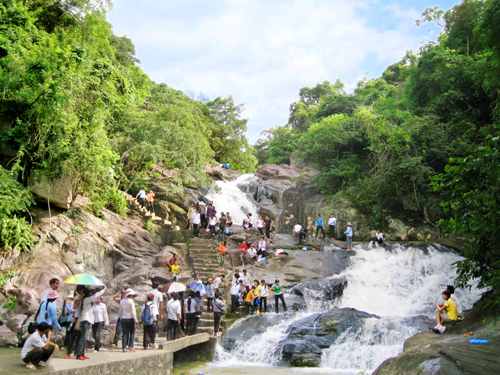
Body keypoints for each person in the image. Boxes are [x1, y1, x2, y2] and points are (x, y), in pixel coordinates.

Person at [75, 286, 106, 360]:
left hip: (88, 320)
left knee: (85, 338)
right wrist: (103, 290)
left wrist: (100, 293)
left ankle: (82, 353)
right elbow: (95, 296)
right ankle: (78, 355)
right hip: (85, 320)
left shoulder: (89, 300)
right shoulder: (86, 299)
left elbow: (96, 297)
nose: (92, 293)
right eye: (91, 292)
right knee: (83, 338)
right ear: (88, 293)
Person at [65, 285, 84, 359]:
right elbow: (75, 307)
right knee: (72, 336)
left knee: (80, 336)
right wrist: (80, 299)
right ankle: (69, 352)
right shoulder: (76, 297)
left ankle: (76, 351)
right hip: (76, 318)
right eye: (81, 290)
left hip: (82, 318)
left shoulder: (85, 298)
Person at [119, 288, 138, 352]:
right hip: (130, 318)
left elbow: (120, 311)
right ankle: (130, 346)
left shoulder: (122, 301)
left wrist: (120, 319)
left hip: (123, 318)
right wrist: (135, 319)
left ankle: (124, 347)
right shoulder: (131, 301)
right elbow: (133, 311)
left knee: (124, 333)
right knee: (132, 332)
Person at [148, 281, 164, 349]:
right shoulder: (159, 294)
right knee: (154, 327)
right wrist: (161, 313)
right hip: (155, 311)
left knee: (148, 327)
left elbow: (146, 302)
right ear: (158, 286)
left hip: (148, 312)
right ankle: (152, 341)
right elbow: (160, 304)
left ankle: (148, 341)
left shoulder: (148, 293)